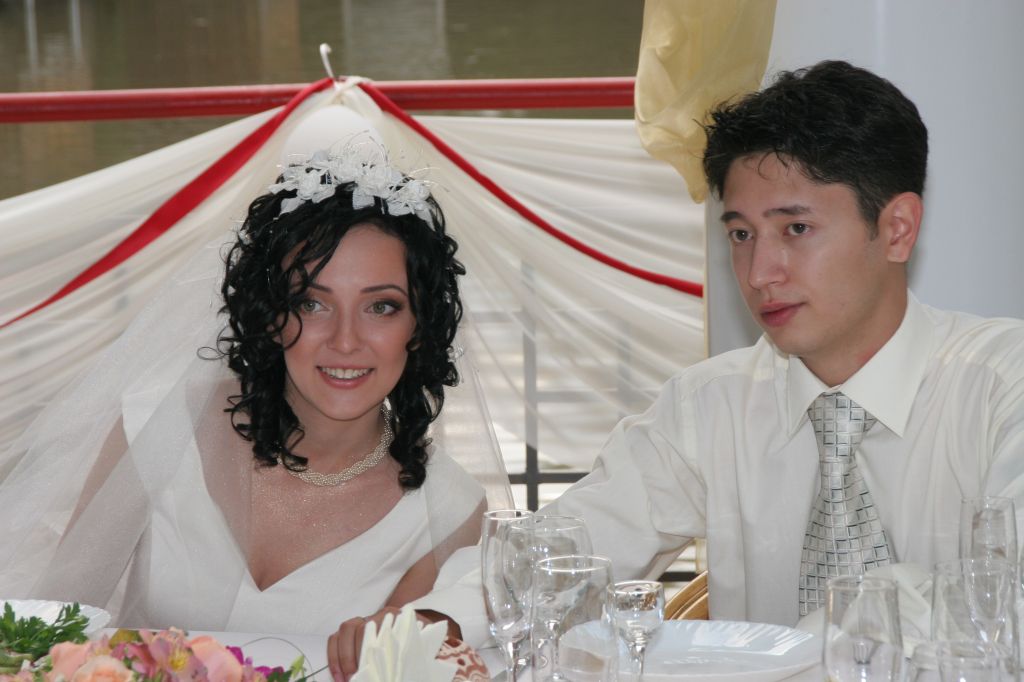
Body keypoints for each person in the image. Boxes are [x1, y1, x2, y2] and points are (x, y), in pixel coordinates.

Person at [395, 60, 1024, 652]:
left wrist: (834, 631)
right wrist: (435, 622)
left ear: (897, 229)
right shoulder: (711, 404)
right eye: (741, 234)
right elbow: (577, 540)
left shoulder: (1003, 385)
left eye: (796, 229)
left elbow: (1006, 599)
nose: (759, 272)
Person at [0, 141, 511, 661]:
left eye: (381, 307)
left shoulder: (447, 509)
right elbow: (56, 637)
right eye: (311, 303)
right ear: (270, 316)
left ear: (419, 327)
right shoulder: (160, 424)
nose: (346, 341)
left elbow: (393, 670)